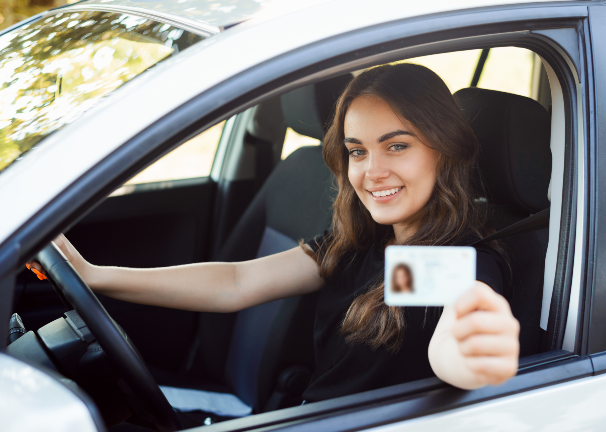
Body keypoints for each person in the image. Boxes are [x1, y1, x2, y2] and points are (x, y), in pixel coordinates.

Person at [29, 63, 520, 400]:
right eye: (356, 151)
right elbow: (237, 283)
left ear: (444, 148)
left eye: (396, 147)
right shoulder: (367, 243)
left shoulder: (454, 262)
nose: (372, 172)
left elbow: (458, 342)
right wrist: (93, 275)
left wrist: (473, 356)